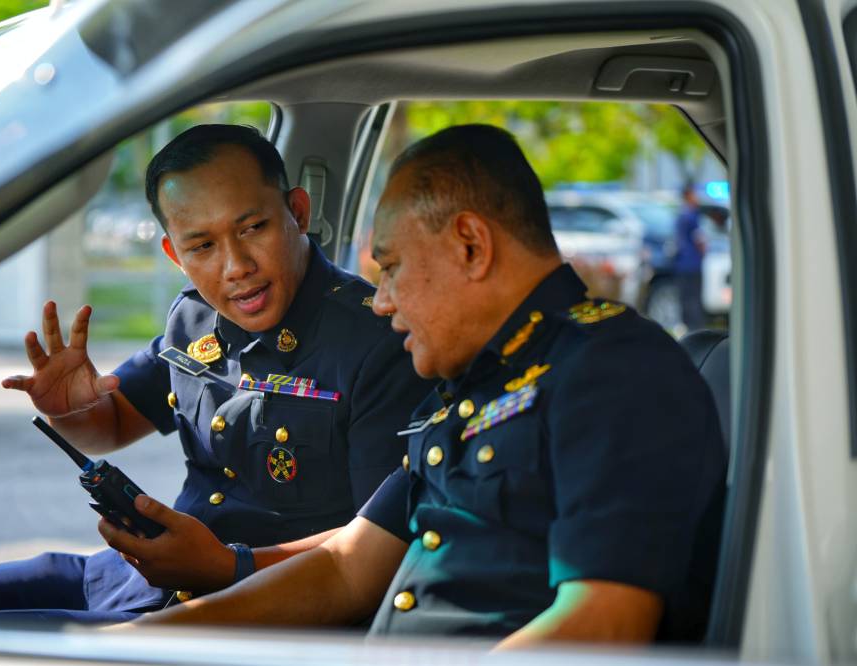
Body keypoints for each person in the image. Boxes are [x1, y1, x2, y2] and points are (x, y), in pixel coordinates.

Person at [131, 124, 727, 648]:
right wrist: (141, 640)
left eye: (391, 268)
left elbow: (601, 626)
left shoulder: (611, 370)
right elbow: (345, 569)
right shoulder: (471, 391)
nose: (382, 301)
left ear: (470, 245)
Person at [0, 124, 433, 622]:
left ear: (296, 212)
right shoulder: (194, 318)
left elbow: (376, 550)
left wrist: (230, 566)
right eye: (202, 246)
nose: (236, 266)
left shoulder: (379, 342)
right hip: (136, 579)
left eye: (253, 228)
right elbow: (112, 424)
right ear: (174, 253)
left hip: (250, 609)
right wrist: (71, 409)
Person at [674, 182, 707, 331]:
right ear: (689, 195)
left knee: (685, 297)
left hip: (682, 263)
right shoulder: (692, 216)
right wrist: (703, 252)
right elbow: (699, 240)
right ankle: (696, 327)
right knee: (694, 297)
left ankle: (686, 326)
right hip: (693, 263)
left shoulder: (681, 215)